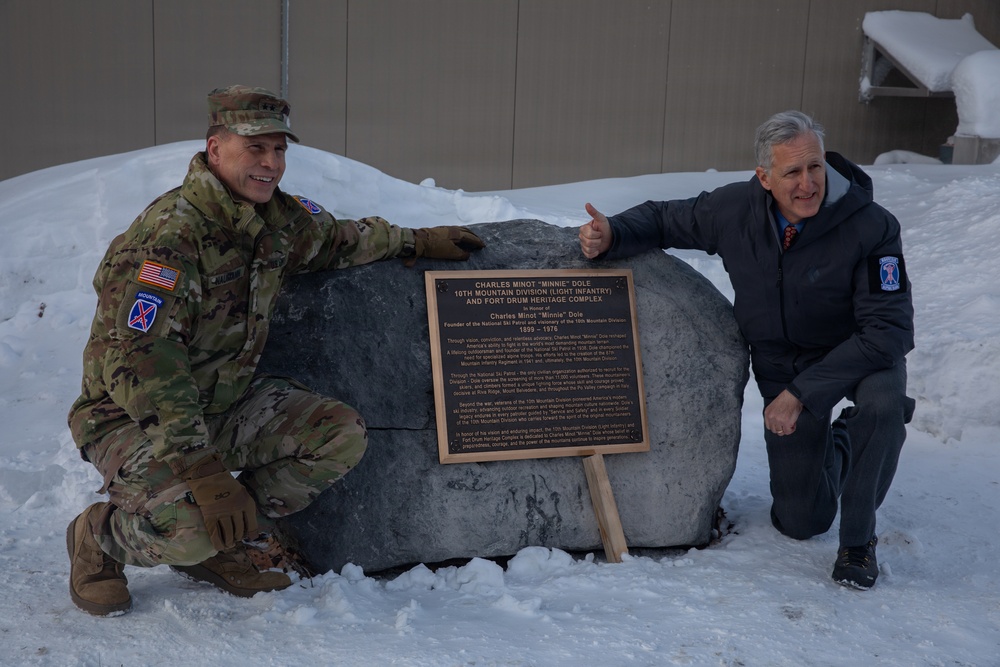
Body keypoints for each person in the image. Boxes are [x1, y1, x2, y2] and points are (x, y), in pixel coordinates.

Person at [66, 84, 485, 616]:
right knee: (189, 526)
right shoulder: (169, 237)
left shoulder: (276, 221)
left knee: (338, 433)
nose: (270, 163)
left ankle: (220, 540)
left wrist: (416, 241)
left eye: (279, 149)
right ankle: (100, 536)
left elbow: (338, 240)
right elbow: (144, 365)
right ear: (216, 149)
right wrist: (205, 473)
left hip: (223, 403)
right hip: (130, 417)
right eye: (255, 148)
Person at [579, 110, 914, 590]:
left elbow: (890, 331)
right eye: (792, 172)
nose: (808, 183)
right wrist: (612, 233)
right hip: (784, 362)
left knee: (882, 405)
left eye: (815, 167)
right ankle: (844, 443)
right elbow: (662, 217)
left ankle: (858, 543)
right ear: (764, 177)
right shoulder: (734, 209)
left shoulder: (872, 225)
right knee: (800, 521)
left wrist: (801, 393)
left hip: (859, 355)